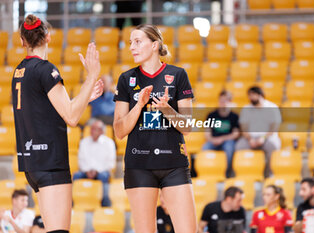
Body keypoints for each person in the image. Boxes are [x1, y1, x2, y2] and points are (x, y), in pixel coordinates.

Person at [12, 14, 102, 233]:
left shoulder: (18, 71)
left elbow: (51, 108)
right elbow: (71, 117)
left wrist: (83, 98)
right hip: (51, 162)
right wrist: (91, 76)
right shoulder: (46, 70)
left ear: (23, 41)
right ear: (48, 38)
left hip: (32, 163)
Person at [113, 24, 197, 233]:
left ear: (154, 45)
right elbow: (119, 131)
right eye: (131, 42)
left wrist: (166, 108)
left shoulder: (178, 75)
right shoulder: (126, 79)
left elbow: (187, 127)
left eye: (138, 41)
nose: (132, 46)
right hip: (139, 164)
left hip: (173, 163)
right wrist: (139, 105)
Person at [235, 86, 281, 178]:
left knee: (273, 147)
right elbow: (243, 127)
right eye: (249, 95)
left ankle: (270, 175)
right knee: (238, 147)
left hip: (268, 137)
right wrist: (250, 139)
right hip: (250, 138)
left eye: (253, 95)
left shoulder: (272, 107)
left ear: (260, 95)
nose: (250, 98)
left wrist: (263, 138)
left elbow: (274, 127)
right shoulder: (246, 109)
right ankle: (241, 174)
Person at [73, 119, 116, 207]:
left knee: (103, 176)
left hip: (101, 171)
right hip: (86, 171)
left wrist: (96, 171)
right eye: (91, 129)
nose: (92, 131)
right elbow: (81, 160)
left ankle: (104, 204)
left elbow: (110, 163)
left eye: (95, 129)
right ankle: (74, 204)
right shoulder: (84, 142)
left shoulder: (109, 143)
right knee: (76, 175)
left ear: (101, 131)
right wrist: (87, 171)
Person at [202, 90, 240, 178]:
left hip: (227, 141)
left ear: (230, 102)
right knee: (205, 148)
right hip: (213, 140)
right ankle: (206, 173)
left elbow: (236, 134)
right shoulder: (211, 115)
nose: (222, 103)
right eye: (221, 100)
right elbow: (207, 132)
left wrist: (222, 139)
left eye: (225, 101)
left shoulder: (234, 116)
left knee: (229, 148)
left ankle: (227, 173)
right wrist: (212, 140)